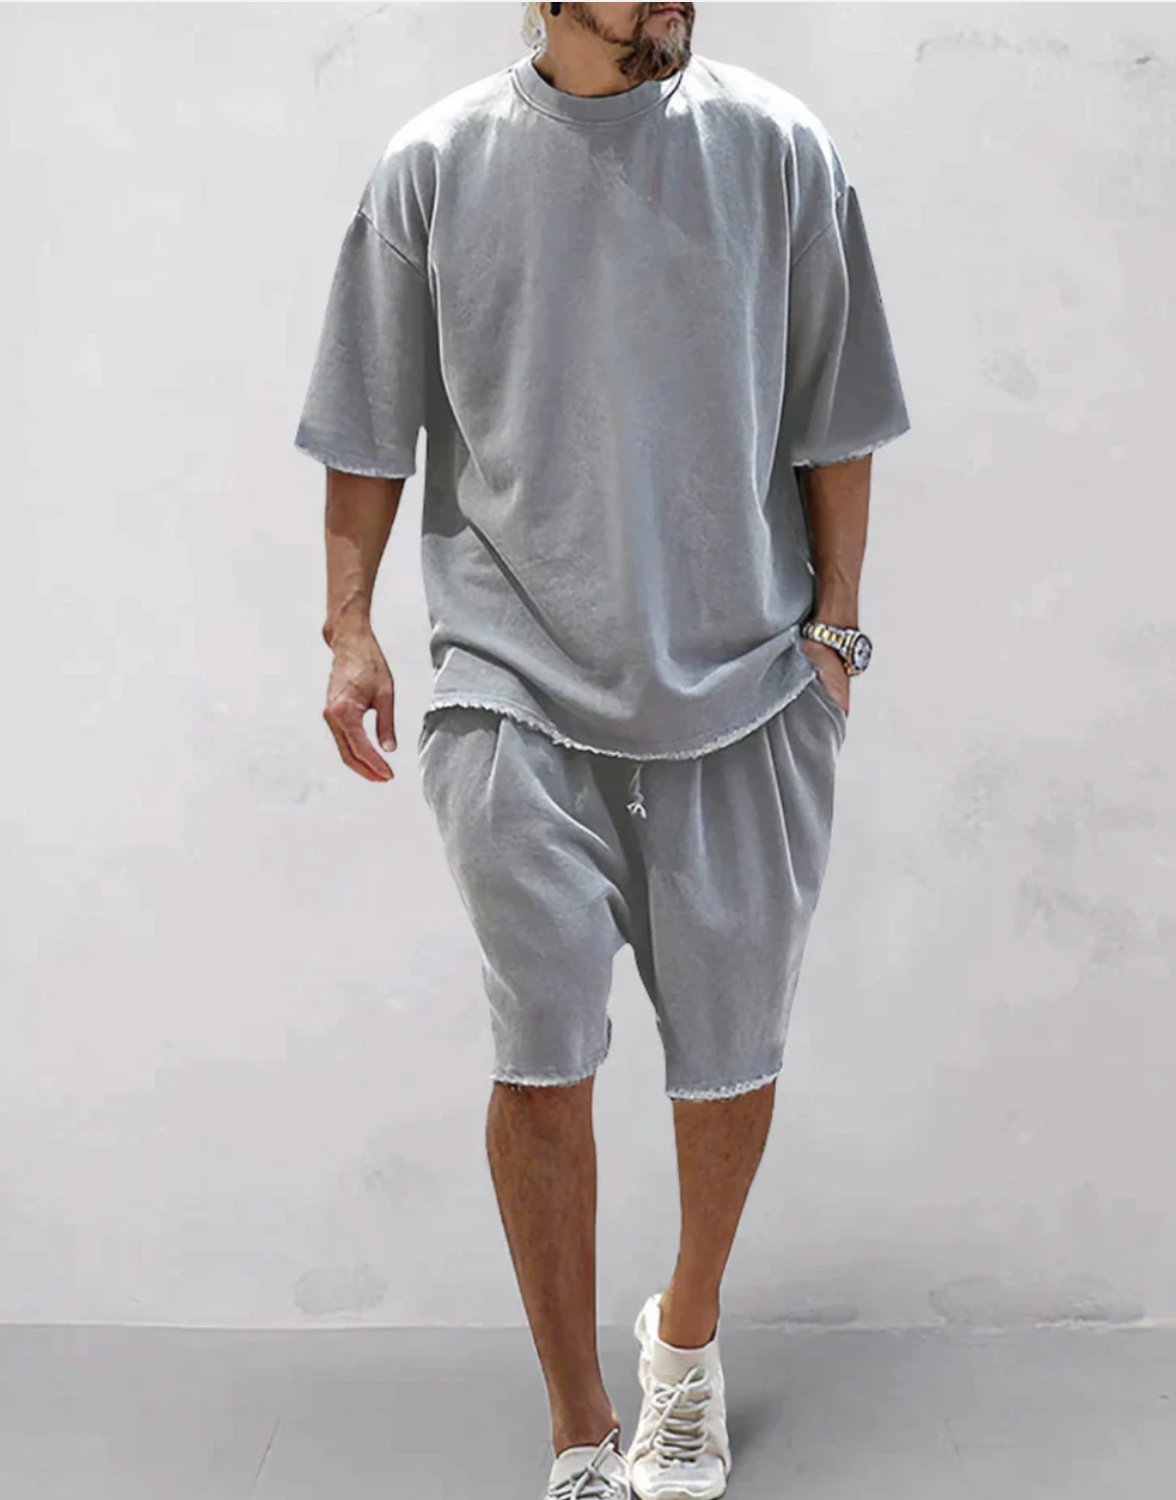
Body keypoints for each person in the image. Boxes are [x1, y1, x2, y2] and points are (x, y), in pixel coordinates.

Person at [295, 3, 910, 1495]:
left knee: (730, 1060)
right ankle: (578, 1427)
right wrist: (350, 629)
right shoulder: (434, 167)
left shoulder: (780, 149)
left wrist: (835, 635)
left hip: (746, 686)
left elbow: (837, 411)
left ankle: (682, 1342)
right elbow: (370, 428)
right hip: (510, 687)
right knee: (544, 1052)